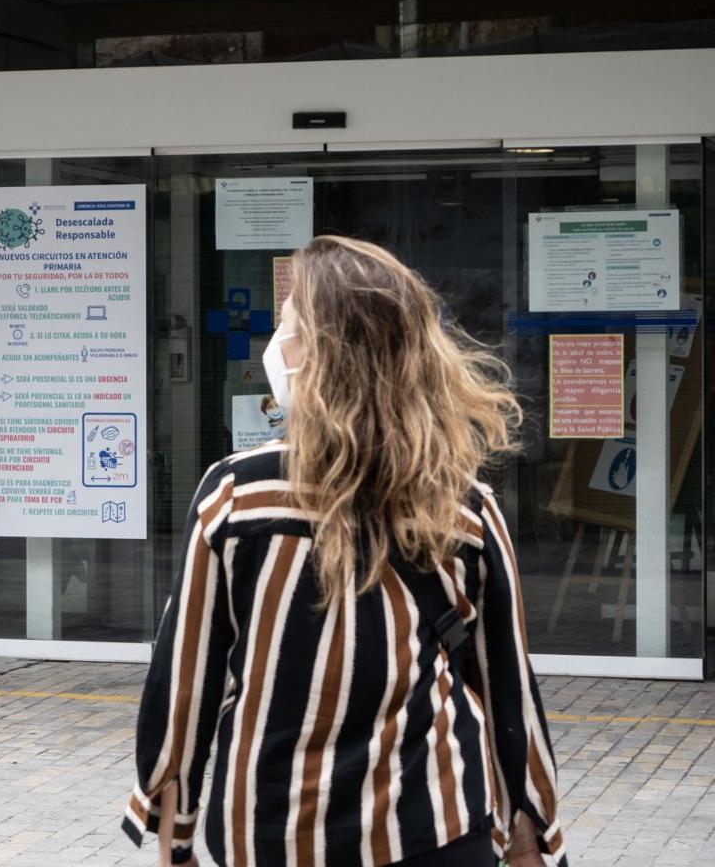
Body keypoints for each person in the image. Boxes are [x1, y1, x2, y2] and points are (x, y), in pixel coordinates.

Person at [122, 236, 566, 867]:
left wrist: (176, 833)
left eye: (288, 324)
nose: (276, 342)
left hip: (265, 833)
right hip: (433, 826)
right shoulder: (464, 506)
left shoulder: (237, 497)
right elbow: (508, 691)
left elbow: (183, 687)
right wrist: (534, 836)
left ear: (321, 355)